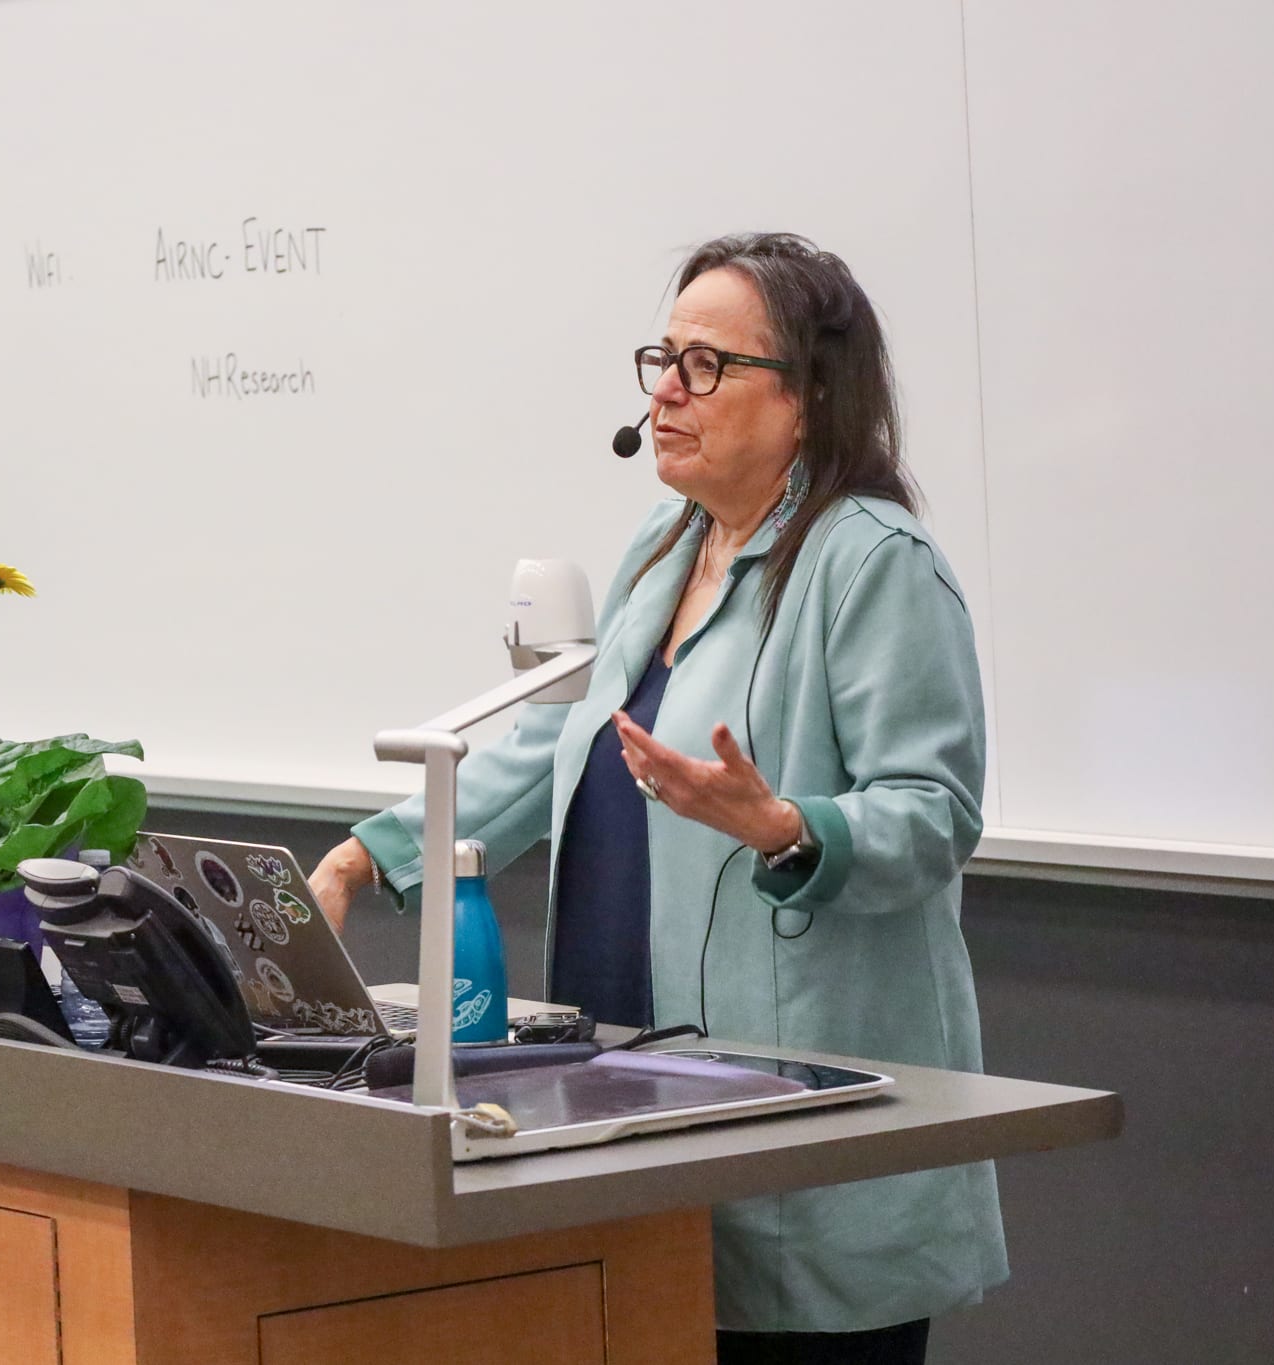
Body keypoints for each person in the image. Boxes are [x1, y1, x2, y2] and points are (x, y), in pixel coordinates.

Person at [309, 232, 1005, 1364]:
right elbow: (552, 749)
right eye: (660, 357)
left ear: (808, 397)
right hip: (621, 1092)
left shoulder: (871, 560)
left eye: (707, 364)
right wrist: (364, 854)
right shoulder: (663, 542)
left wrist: (787, 827)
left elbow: (932, 812)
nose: (667, 391)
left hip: (792, 1117)